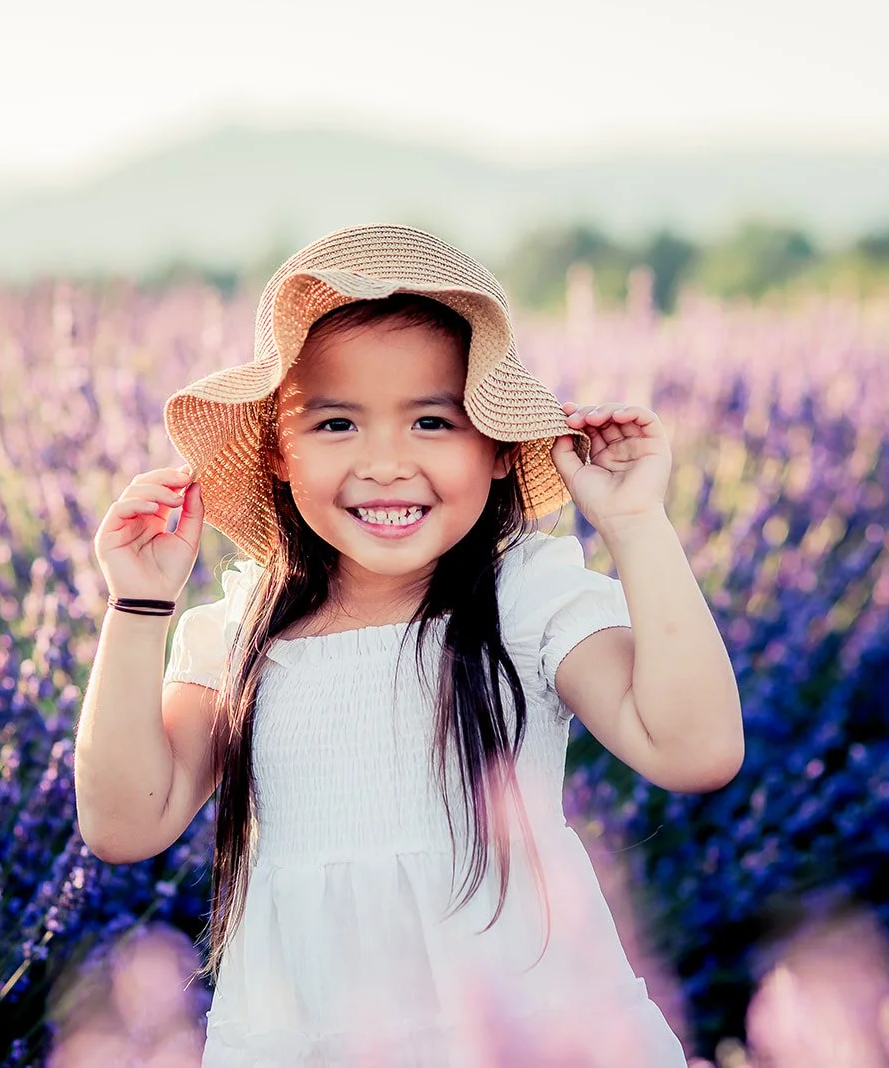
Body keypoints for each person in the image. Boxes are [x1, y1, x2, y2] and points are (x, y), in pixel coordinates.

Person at [76, 224, 744, 1066]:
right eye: (335, 425)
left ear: (498, 448)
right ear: (279, 453)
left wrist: (637, 525)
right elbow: (123, 824)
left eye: (432, 421)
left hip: (526, 1030)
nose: (386, 462)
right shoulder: (243, 627)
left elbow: (698, 749)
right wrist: (137, 606)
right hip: (306, 1039)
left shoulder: (525, 599)